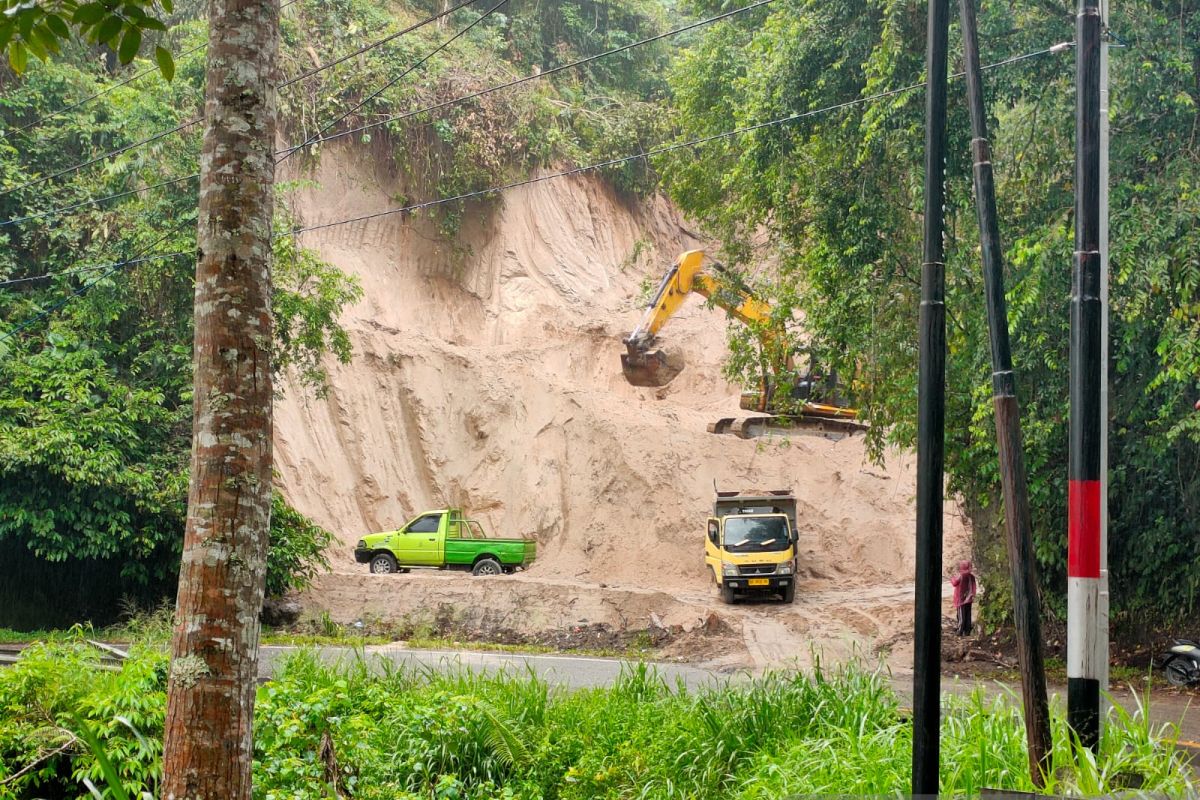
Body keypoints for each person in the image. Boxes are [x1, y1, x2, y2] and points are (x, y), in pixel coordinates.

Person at [950, 560, 977, 636]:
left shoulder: (960, 576)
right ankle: (967, 630)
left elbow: (954, 583)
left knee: (961, 615)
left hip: (960, 599)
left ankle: (960, 630)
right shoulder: (972, 576)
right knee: (968, 615)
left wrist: (952, 578)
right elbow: (974, 587)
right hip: (969, 599)